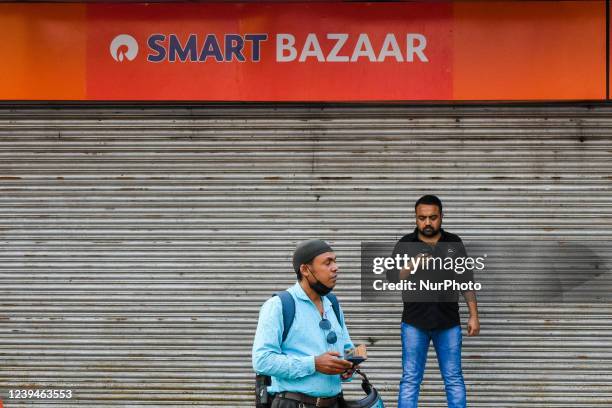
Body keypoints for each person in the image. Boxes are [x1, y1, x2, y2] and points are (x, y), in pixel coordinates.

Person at [387, 195, 480, 408]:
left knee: (453, 379)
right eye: (422, 218)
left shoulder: (454, 243)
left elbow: (466, 280)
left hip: (448, 323)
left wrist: (474, 316)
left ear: (441, 217)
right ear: (416, 218)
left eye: (432, 217)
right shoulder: (405, 244)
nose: (427, 223)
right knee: (410, 380)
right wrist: (412, 265)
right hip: (414, 323)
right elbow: (391, 278)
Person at [253, 239, 356, 408]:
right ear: (305, 270)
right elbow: (262, 360)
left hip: (335, 402)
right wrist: (313, 364)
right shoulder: (278, 305)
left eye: (335, 261)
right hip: (294, 403)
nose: (335, 267)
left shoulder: (333, 304)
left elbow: (346, 348)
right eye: (327, 263)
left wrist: (348, 366)